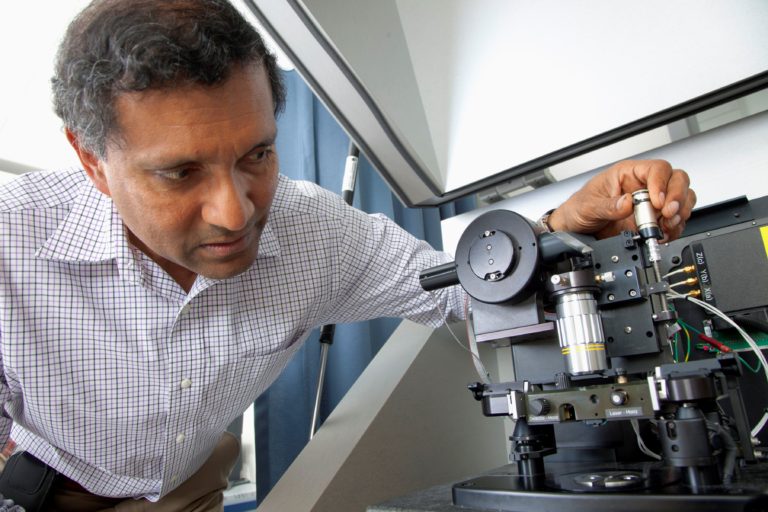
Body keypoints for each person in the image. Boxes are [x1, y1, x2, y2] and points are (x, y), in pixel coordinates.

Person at [0, 0, 696, 510]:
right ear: (92, 161)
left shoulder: (313, 233)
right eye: (181, 174)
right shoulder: (11, 246)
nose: (237, 212)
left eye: (258, 155)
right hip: (60, 490)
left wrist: (565, 225)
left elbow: (458, 290)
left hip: (193, 483)